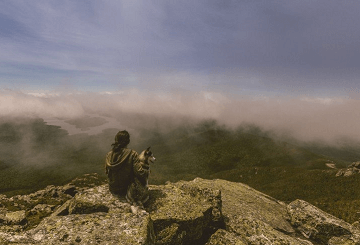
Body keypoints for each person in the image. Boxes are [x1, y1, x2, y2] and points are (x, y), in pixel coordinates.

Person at [105, 130, 148, 196]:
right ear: (128, 141)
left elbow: (107, 172)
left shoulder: (109, 154)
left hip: (113, 189)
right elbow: (139, 173)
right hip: (127, 189)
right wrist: (147, 172)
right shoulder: (132, 154)